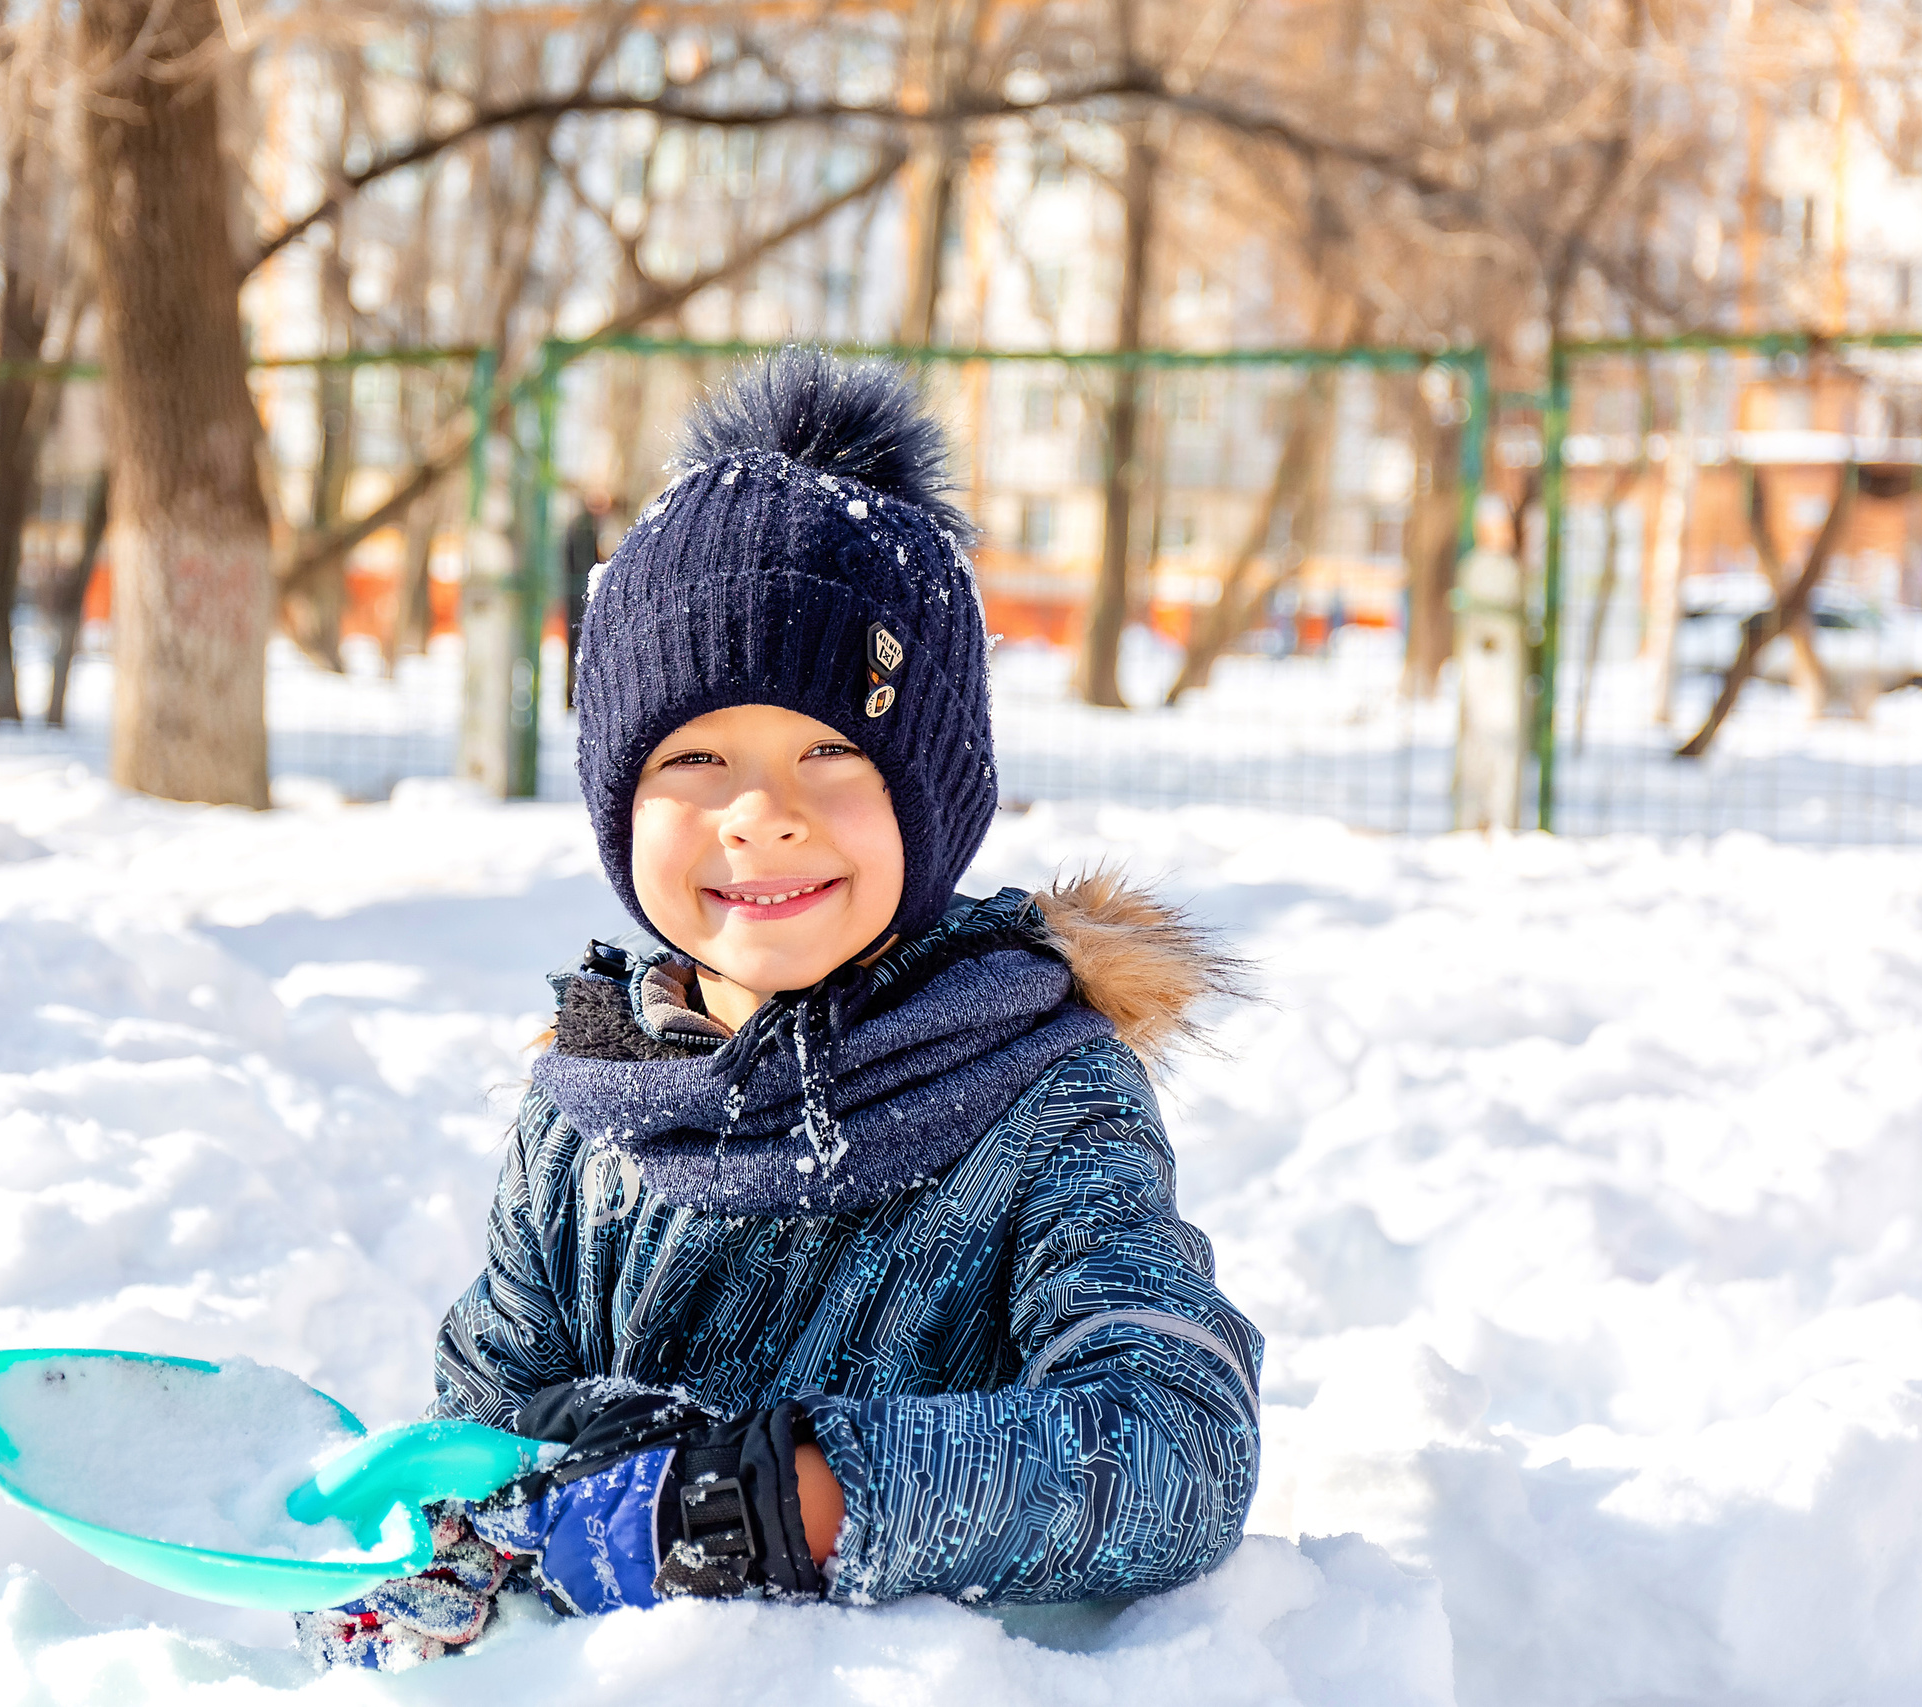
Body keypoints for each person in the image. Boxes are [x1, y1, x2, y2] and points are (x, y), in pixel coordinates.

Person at [294, 349, 1262, 1672]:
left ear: (934, 798)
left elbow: (1173, 1444)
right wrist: (454, 1541)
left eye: (832, 752)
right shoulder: (590, 1107)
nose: (764, 811)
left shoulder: (1042, 1095)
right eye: (695, 758)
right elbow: (493, 1420)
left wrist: (779, 1497)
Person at [561, 490, 613, 709]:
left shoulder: (587, 526)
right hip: (579, 599)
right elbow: (584, 565)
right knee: (577, 645)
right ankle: (573, 695)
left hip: (579, 597)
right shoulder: (584, 528)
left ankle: (574, 694)